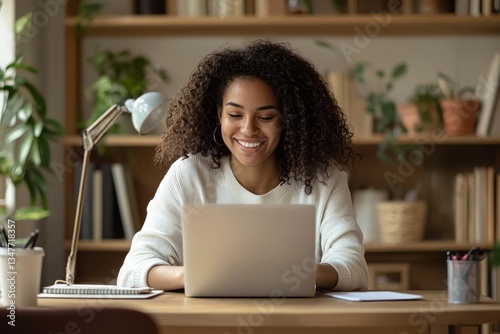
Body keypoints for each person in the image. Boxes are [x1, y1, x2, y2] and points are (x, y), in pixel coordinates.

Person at [117, 39, 369, 292]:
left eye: (266, 117)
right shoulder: (189, 174)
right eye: (235, 115)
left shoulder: (324, 180)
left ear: (287, 120)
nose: (248, 130)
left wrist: (292, 272)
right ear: (219, 115)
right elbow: (134, 270)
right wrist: (199, 274)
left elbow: (353, 269)